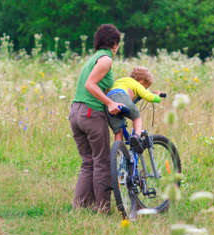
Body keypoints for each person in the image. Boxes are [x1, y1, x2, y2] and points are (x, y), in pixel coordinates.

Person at [69, 24, 124, 213]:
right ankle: (102, 208)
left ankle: (80, 206)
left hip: (76, 112)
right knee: (101, 161)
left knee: (88, 161)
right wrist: (109, 103)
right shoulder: (106, 59)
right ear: (114, 44)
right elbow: (90, 85)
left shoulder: (92, 59)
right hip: (91, 113)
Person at [105, 67, 162, 153]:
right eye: (145, 87)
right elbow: (148, 96)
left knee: (118, 132)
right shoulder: (136, 83)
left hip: (109, 103)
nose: (145, 89)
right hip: (122, 97)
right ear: (142, 81)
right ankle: (136, 137)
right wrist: (157, 97)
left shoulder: (120, 81)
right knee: (136, 118)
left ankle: (120, 155)